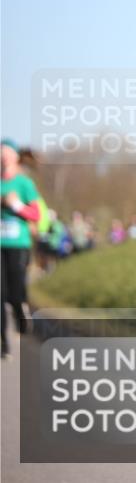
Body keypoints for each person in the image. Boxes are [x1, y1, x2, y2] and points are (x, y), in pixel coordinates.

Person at [1, 138, 42, 358]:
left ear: (16, 156)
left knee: (15, 292)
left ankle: (19, 310)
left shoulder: (24, 184)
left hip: (18, 243)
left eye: (6, 151)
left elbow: (37, 214)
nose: (3, 155)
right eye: (1, 152)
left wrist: (16, 205)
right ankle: (2, 343)